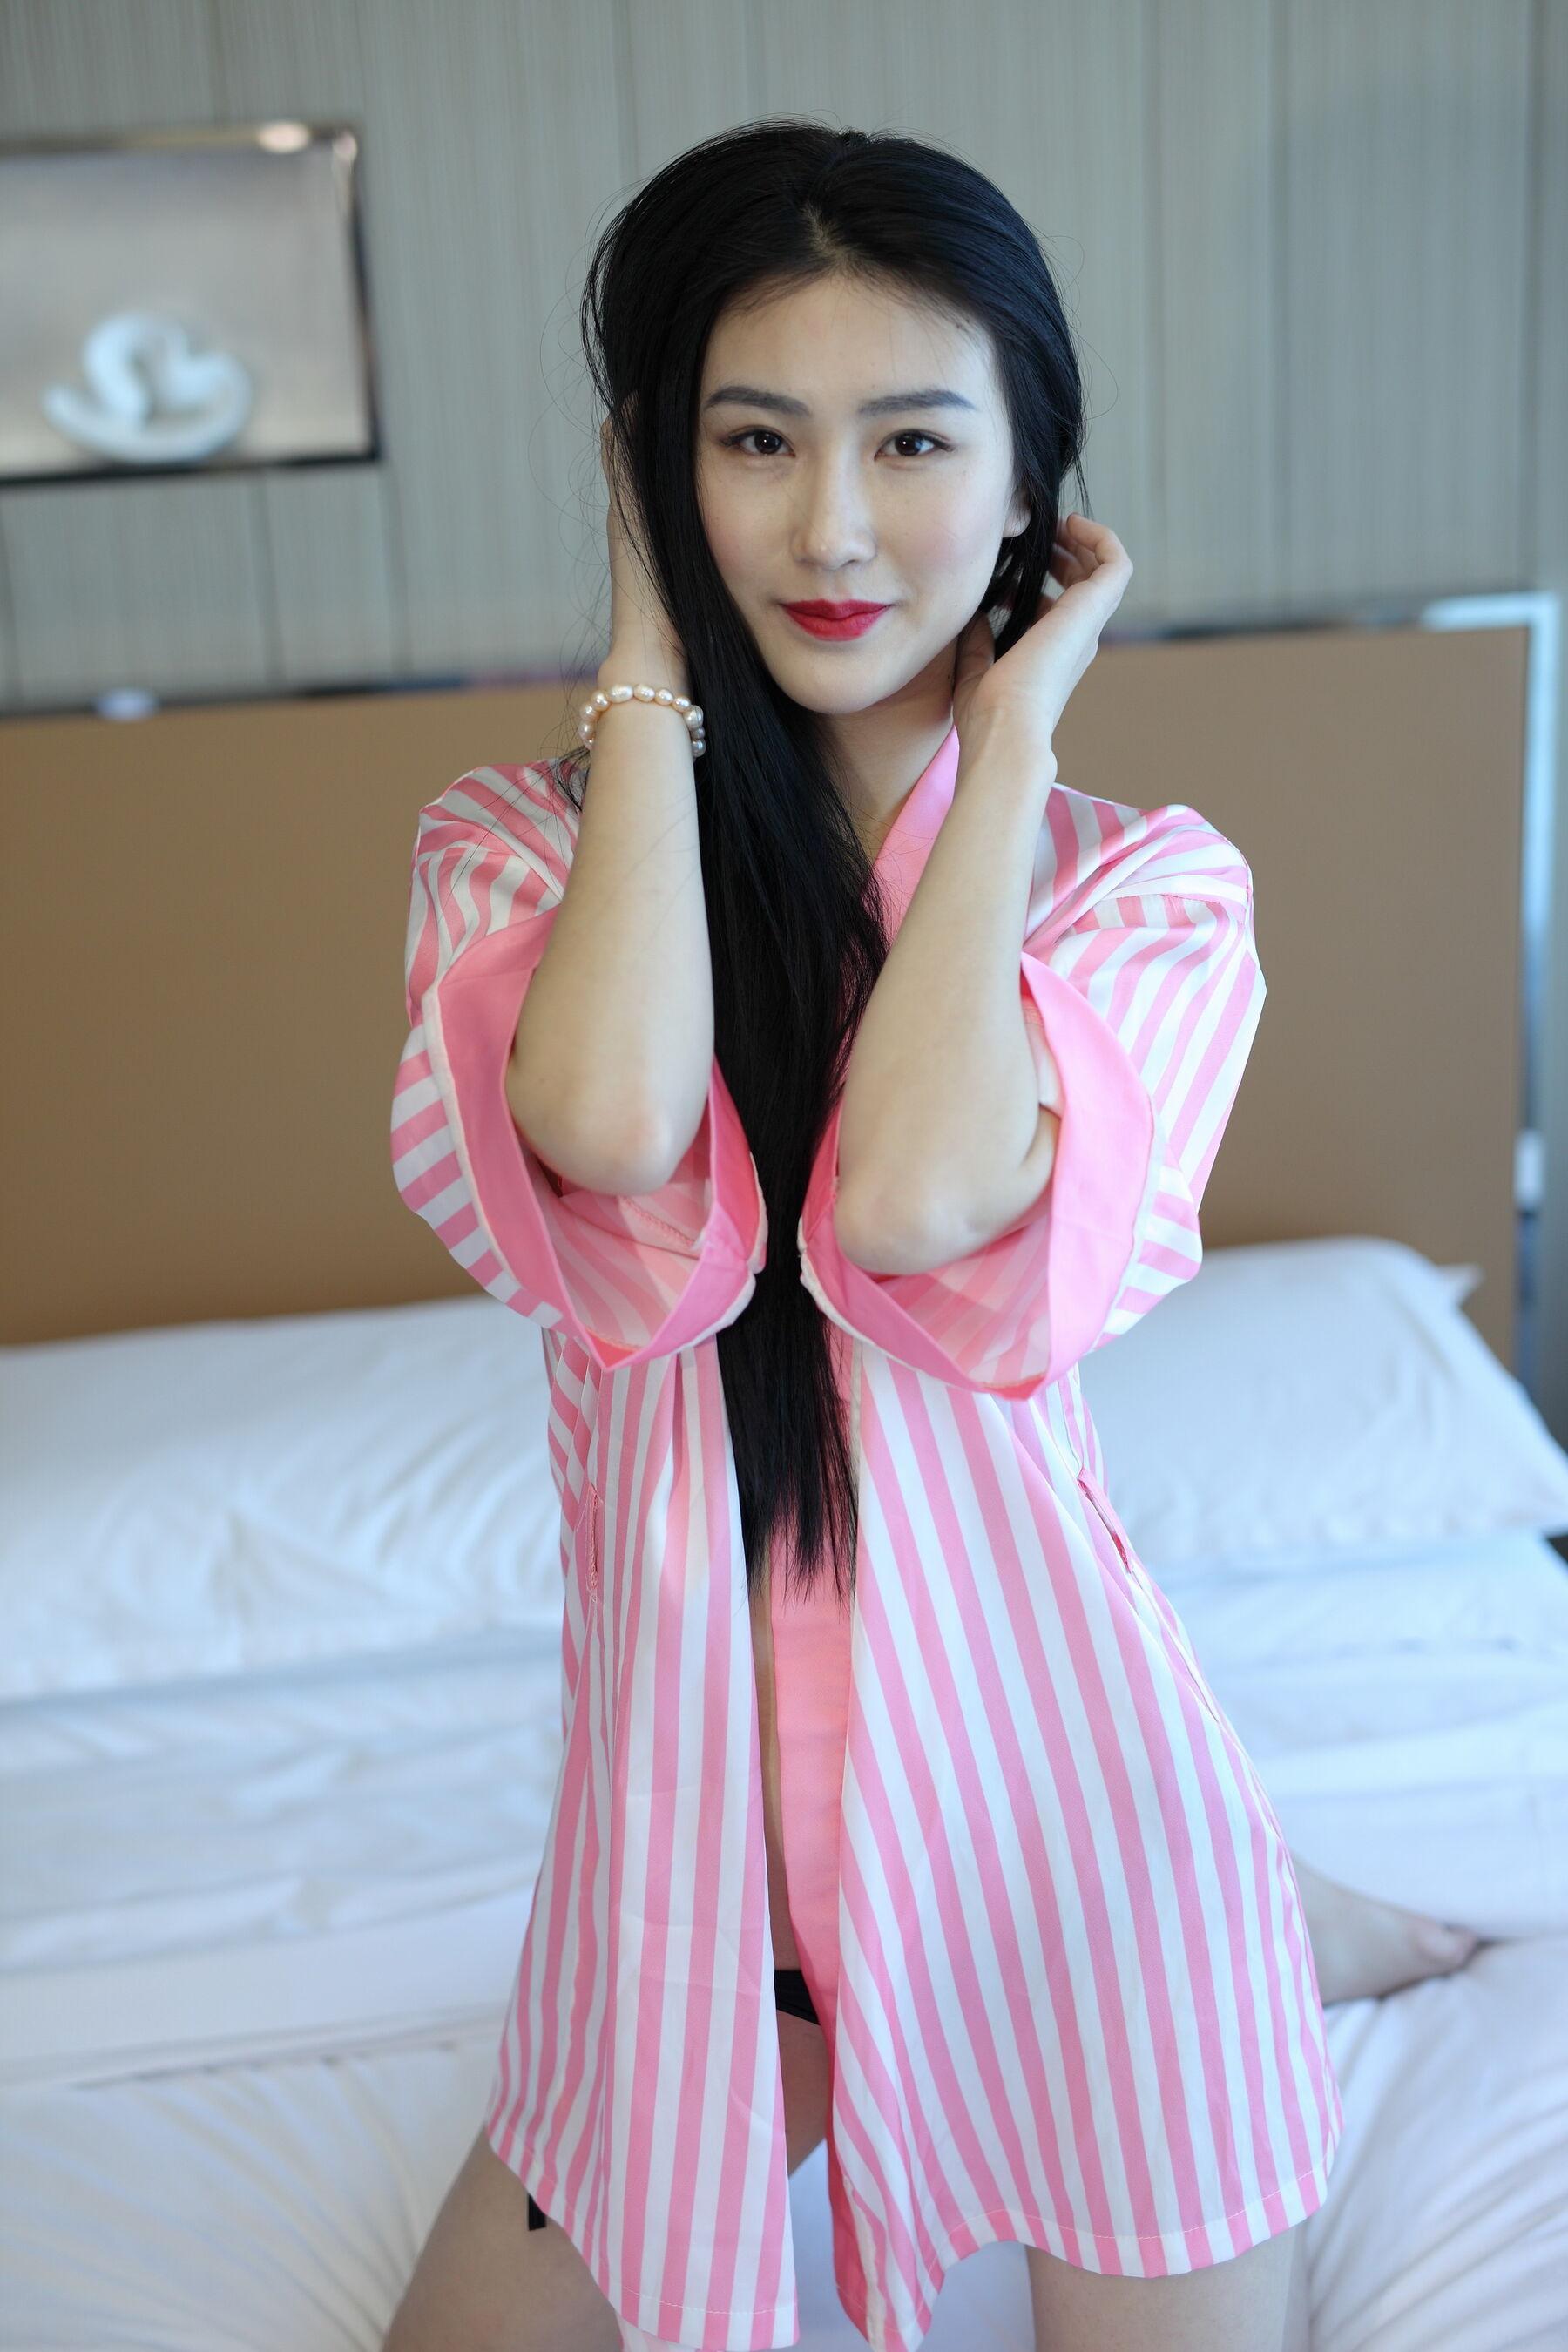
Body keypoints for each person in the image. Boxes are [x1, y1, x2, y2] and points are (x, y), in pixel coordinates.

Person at [382, 116, 1479, 2352]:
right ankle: (1297, 1908)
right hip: (696, 1899)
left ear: (1029, 483)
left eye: (910, 441)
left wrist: (1013, 733)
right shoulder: (522, 860)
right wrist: (642, 654)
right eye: (750, 442)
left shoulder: (1138, 891)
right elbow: (606, 1123)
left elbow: (912, 1197)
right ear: (655, 471)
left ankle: (1272, 1918)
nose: (830, 527)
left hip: (1079, 1860)